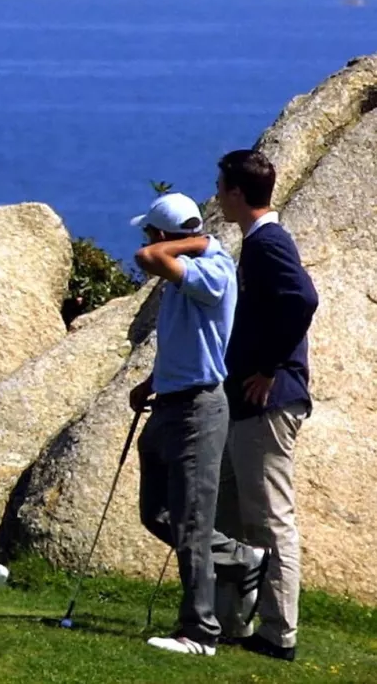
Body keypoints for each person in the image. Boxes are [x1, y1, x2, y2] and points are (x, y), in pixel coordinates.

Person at [211, 149, 318, 662]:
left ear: (236, 192)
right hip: (250, 401)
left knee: (272, 519)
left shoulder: (268, 242)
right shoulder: (259, 243)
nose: (217, 196)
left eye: (221, 187)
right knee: (236, 514)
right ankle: (230, 617)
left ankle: (279, 633)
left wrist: (272, 367)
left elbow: (302, 298)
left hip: (269, 402)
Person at [127, 191, 238, 657]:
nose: (148, 240)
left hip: (199, 407)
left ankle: (200, 633)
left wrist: (196, 243)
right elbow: (188, 339)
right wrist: (151, 380)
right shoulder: (183, 276)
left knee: (192, 523)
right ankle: (241, 557)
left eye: (152, 230)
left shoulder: (212, 271)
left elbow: (146, 256)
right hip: (170, 401)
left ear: (164, 235)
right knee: (157, 513)